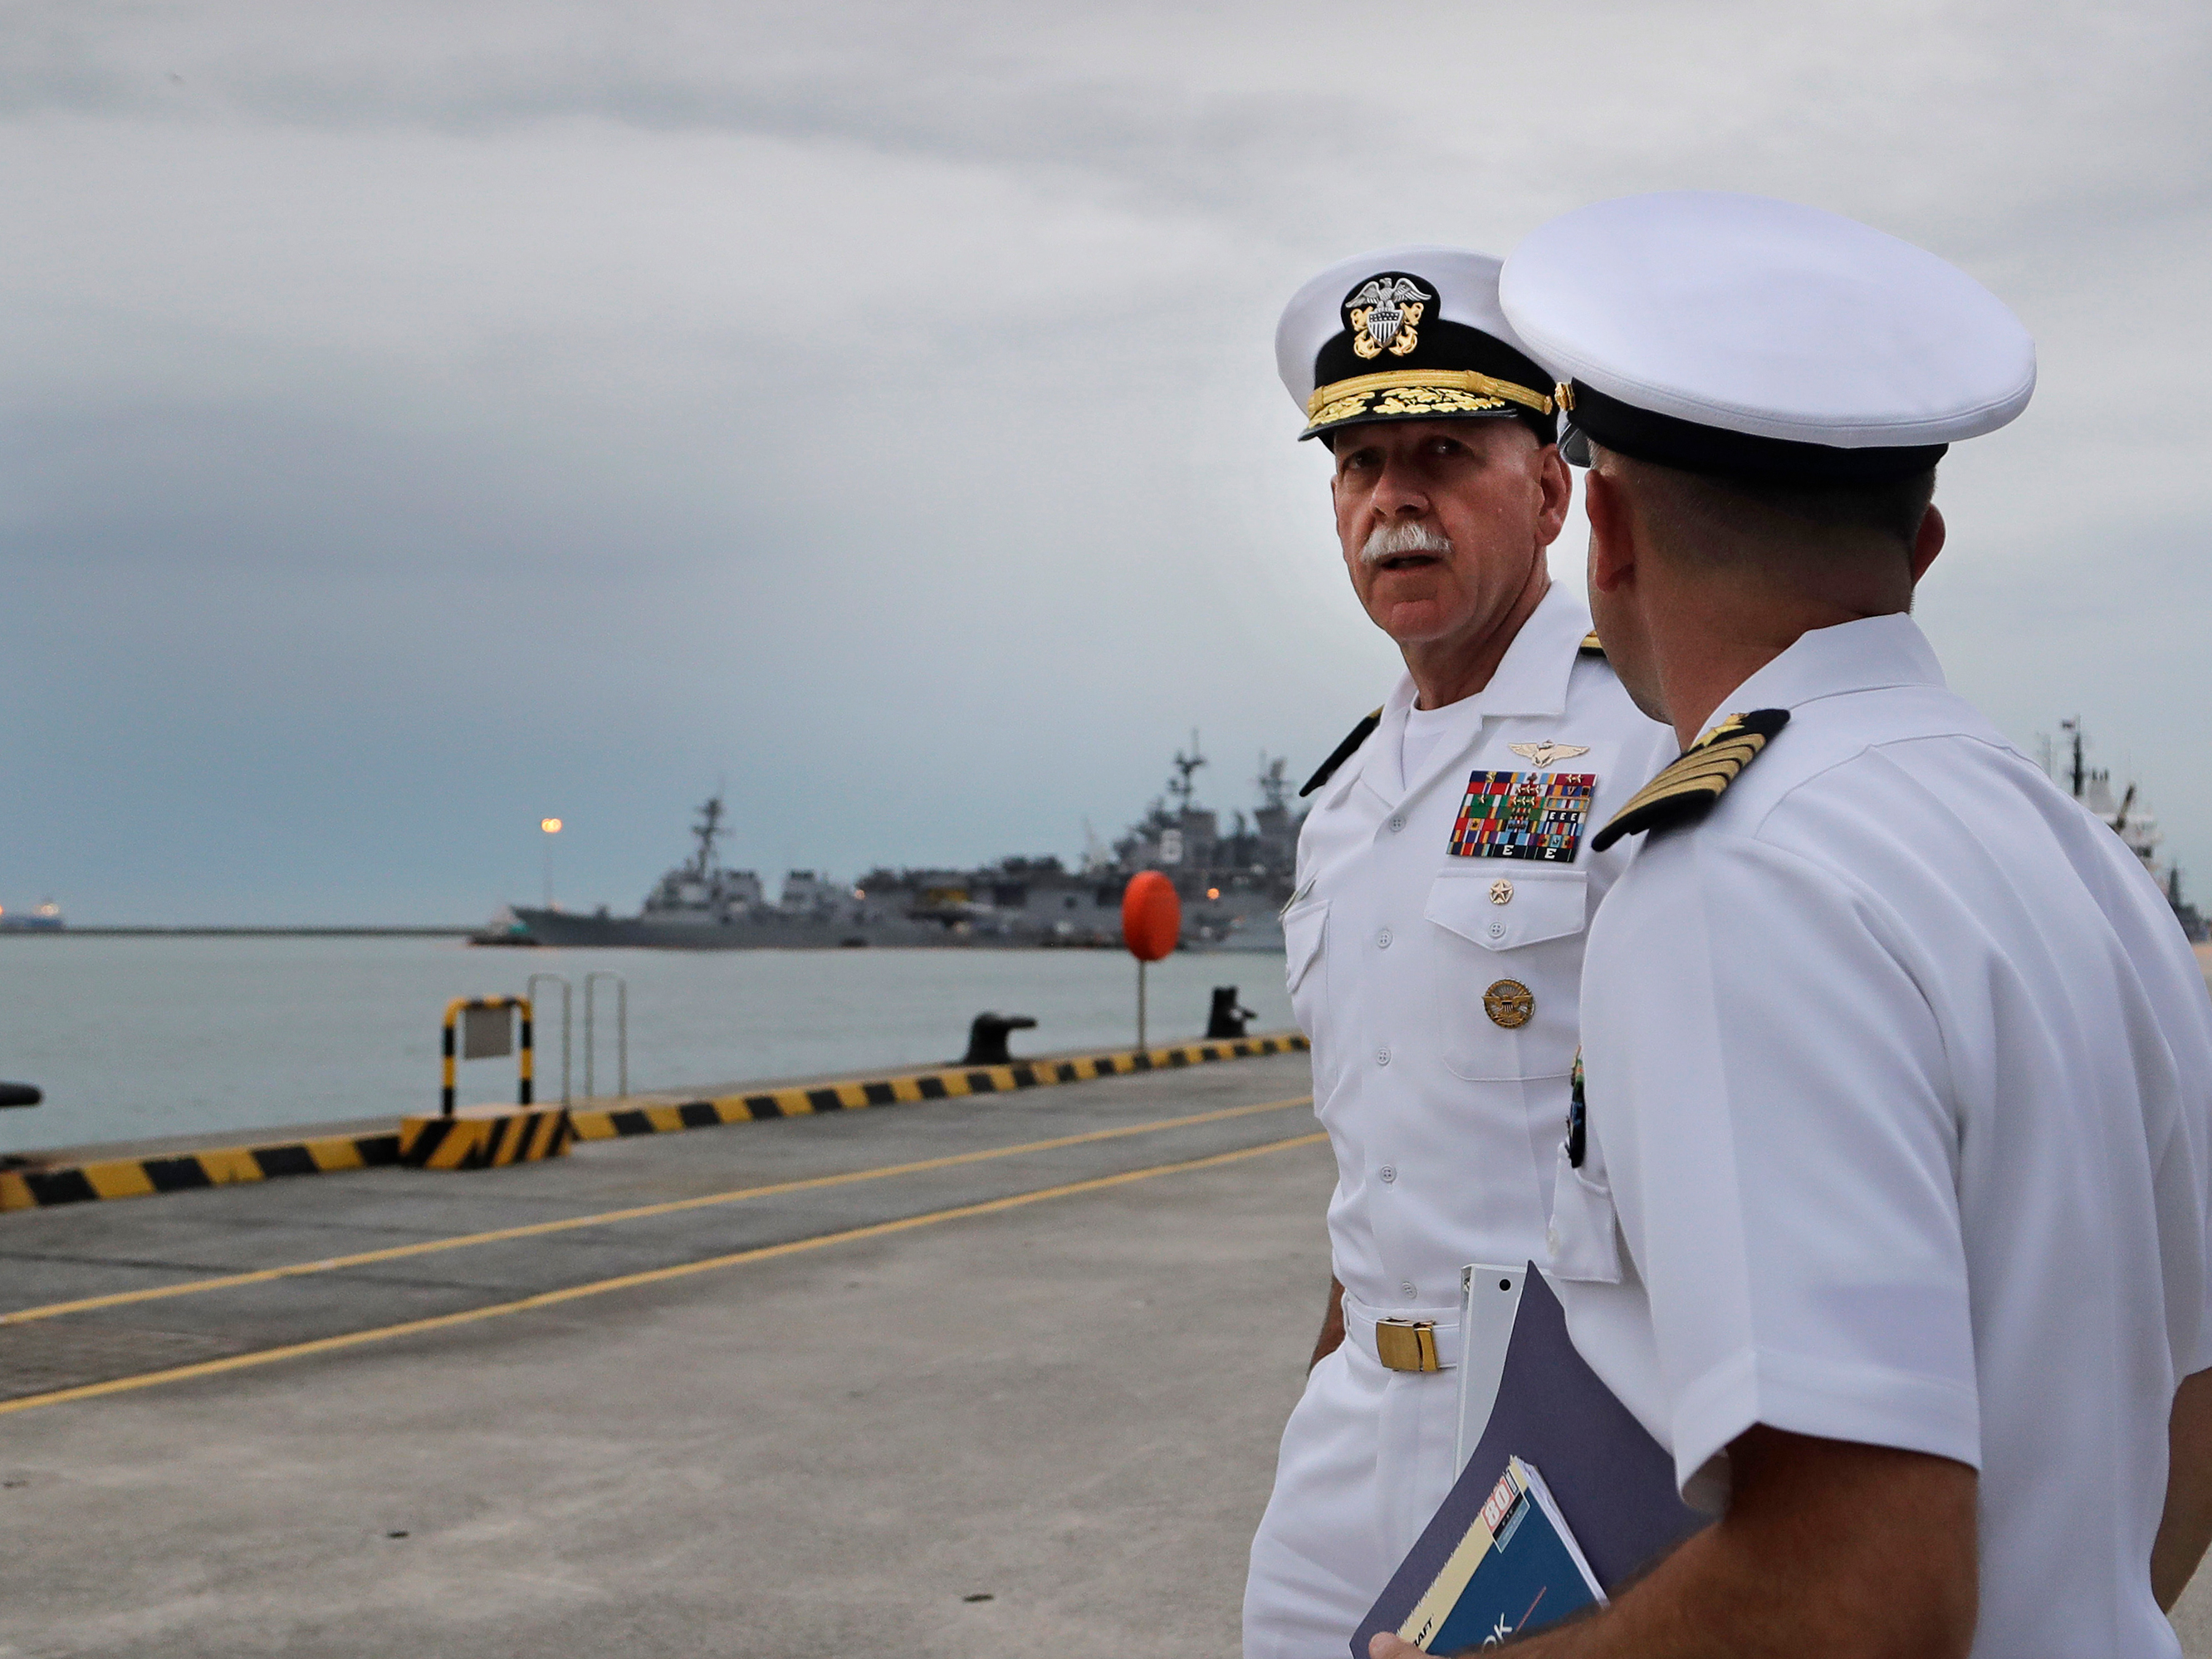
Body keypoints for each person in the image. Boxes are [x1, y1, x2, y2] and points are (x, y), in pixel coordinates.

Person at [1367, 191, 2212, 1657]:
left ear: (1607, 529)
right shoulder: (2080, 859)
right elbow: (2191, 1395)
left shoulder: (1739, 876)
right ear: (1923, 540)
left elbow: (1861, 1588)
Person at [1246, 247, 1675, 1659]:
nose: (1396, 500)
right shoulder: (1349, 801)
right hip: (1354, 1419)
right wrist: (1336, 1368)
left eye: (1443, 452)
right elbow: (1378, 1144)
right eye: (1360, 464)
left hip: (1566, 1437)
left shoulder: (1643, 747)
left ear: (1550, 489)